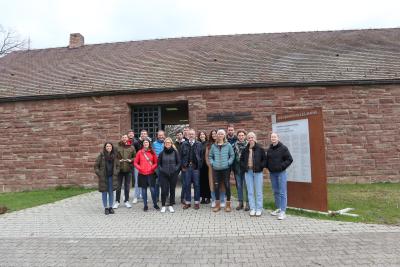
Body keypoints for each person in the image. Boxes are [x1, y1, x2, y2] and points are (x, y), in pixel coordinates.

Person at [266, 132, 293, 220]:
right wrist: (268, 166)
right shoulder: (269, 149)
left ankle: (283, 211)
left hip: (281, 173)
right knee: (276, 191)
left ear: (278, 138)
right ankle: (278, 208)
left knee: (282, 192)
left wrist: (281, 166)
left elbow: (289, 159)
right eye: (272, 137)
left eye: (275, 137)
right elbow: (267, 160)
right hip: (272, 173)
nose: (273, 138)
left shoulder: (283, 148)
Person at [240, 132, 267, 217]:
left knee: (258, 191)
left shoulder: (260, 148)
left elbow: (265, 160)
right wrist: (244, 167)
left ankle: (259, 209)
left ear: (255, 138)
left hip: (257, 172)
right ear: (247, 139)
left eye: (252, 137)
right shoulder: (245, 150)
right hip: (248, 172)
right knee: (250, 191)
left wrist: (260, 167)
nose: (250, 139)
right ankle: (252, 208)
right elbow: (241, 161)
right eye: (249, 138)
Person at [208, 129, 235, 212]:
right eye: (219, 134)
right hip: (216, 169)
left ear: (224, 136)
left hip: (225, 169)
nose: (220, 136)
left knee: (227, 186)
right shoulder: (213, 146)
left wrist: (228, 163)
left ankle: (228, 205)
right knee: (216, 186)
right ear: (217, 136)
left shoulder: (228, 145)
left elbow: (232, 155)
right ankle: (217, 205)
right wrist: (213, 163)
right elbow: (210, 156)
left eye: (222, 134)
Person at [94, 142, 120, 215]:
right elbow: (96, 166)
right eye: (107, 146)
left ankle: (111, 207)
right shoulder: (101, 156)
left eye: (110, 146)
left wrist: (116, 172)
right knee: (104, 193)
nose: (108, 147)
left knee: (111, 193)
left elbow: (118, 166)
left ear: (112, 147)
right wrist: (99, 174)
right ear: (105, 147)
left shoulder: (115, 156)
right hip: (104, 178)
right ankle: (106, 208)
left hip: (112, 177)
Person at [134, 138, 159, 211]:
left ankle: (155, 204)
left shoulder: (152, 152)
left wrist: (152, 167)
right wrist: (140, 168)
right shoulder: (139, 152)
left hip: (151, 173)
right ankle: (145, 205)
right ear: (143, 144)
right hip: (142, 173)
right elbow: (135, 162)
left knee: (152, 190)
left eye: (147, 143)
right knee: (144, 190)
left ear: (149, 144)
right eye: (144, 143)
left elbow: (156, 162)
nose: (145, 144)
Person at [181, 129, 203, 209]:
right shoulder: (184, 144)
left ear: (195, 135)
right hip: (187, 168)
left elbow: (201, 156)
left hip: (195, 168)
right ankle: (188, 202)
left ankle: (197, 202)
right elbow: (181, 156)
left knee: (196, 185)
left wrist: (199, 165)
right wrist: (183, 166)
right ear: (187, 135)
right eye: (189, 134)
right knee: (187, 185)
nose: (191, 135)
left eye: (192, 134)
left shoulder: (199, 144)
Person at [158, 137, 181, 213]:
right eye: (166, 143)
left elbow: (178, 163)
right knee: (164, 190)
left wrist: (175, 169)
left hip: (173, 174)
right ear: (164, 144)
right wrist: (162, 170)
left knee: (172, 190)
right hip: (163, 174)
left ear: (171, 144)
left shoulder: (175, 152)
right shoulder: (162, 153)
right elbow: (159, 164)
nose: (167, 144)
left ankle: (171, 205)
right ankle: (163, 205)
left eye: (169, 142)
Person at [113, 134, 136, 209]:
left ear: (128, 138)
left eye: (125, 137)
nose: (124, 138)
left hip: (128, 169)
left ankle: (126, 201)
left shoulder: (132, 147)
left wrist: (131, 160)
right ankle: (117, 201)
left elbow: (135, 157)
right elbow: (114, 157)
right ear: (121, 138)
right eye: (123, 137)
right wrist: (118, 161)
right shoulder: (117, 147)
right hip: (119, 170)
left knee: (127, 187)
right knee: (118, 187)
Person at [131, 129, 149, 203]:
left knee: (144, 180)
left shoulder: (148, 142)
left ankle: (143, 195)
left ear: (147, 135)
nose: (143, 135)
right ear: (140, 134)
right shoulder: (136, 142)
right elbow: (133, 153)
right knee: (137, 181)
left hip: (145, 165)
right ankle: (136, 196)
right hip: (138, 164)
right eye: (142, 133)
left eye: (145, 133)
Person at [233, 130, 249, 211]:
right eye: (239, 135)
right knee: (239, 186)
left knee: (246, 186)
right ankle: (240, 203)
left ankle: (247, 203)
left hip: (246, 169)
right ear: (237, 136)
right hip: (237, 169)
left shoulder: (248, 145)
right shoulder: (234, 145)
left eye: (242, 135)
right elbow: (232, 156)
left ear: (245, 136)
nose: (241, 137)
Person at [198, 131, 211, 204]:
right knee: (201, 182)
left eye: (203, 134)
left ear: (205, 135)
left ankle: (208, 197)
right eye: (200, 134)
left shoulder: (208, 144)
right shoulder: (198, 144)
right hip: (200, 165)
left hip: (207, 165)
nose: (202, 135)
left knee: (207, 182)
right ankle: (202, 197)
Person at [153, 130, 165, 204]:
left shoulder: (167, 142)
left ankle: (165, 196)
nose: (161, 136)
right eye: (159, 135)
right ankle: (157, 197)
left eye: (162, 135)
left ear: (164, 135)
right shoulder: (154, 144)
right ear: (157, 136)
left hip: (165, 165)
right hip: (157, 166)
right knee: (157, 183)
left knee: (165, 182)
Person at [174, 130, 186, 204]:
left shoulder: (185, 143)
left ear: (182, 135)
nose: (179, 136)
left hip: (184, 164)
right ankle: (172, 198)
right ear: (176, 136)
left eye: (180, 134)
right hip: (175, 164)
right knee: (173, 182)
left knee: (184, 182)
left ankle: (183, 198)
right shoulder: (174, 144)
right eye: (178, 135)